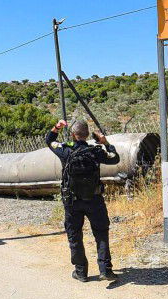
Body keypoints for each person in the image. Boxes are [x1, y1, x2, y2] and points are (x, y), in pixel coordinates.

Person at [45, 119, 120, 282]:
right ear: (87, 135)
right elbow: (115, 158)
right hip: (94, 199)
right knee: (101, 233)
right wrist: (105, 143)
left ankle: (81, 272)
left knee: (74, 235)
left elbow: (49, 140)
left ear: (73, 135)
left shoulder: (65, 149)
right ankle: (105, 270)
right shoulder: (95, 151)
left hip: (72, 202)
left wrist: (57, 127)